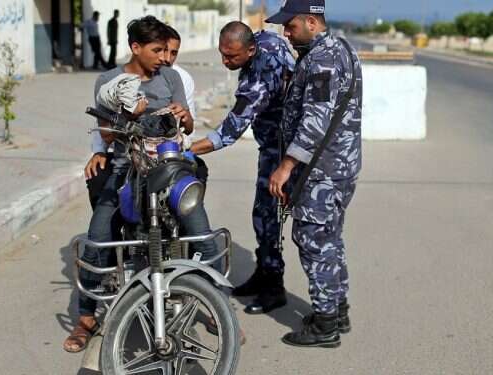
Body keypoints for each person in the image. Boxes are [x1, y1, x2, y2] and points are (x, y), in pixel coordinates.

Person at [64, 16, 208, 353]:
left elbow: (186, 124)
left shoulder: (170, 77)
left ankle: (215, 306)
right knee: (98, 240)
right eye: (156, 50)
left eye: (166, 51)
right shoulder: (109, 81)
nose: (163, 57)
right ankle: (86, 317)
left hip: (170, 169)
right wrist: (129, 116)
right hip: (126, 170)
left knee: (202, 231)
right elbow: (105, 133)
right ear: (136, 48)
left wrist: (182, 116)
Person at [266, 0, 362, 348]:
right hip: (338, 167)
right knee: (331, 238)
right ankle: (337, 310)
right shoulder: (340, 49)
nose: (285, 33)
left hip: (322, 171)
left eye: (290, 26)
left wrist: (286, 166)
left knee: (313, 241)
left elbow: (315, 120)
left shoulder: (322, 60)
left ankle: (325, 327)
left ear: (310, 21)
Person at [189, 21, 295, 315]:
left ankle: (274, 287)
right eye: (223, 54)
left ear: (250, 50)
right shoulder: (264, 41)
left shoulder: (261, 72)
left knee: (271, 215)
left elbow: (229, 131)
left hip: (286, 151)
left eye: (232, 57)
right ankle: (264, 274)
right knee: (262, 212)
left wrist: (186, 150)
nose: (226, 61)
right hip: (273, 145)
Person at [164, 26, 196, 120]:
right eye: (164, 50)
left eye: (173, 53)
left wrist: (183, 115)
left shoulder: (184, 78)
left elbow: (189, 128)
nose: (168, 59)